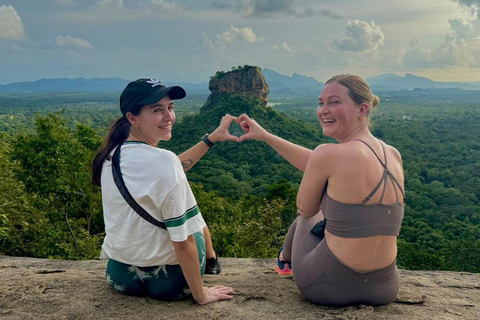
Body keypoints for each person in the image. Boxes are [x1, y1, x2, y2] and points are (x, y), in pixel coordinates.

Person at [237, 74, 405, 306]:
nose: (323, 110)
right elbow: (321, 165)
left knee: (309, 216)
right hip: (384, 288)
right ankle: (284, 261)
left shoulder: (327, 154)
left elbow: (306, 209)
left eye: (334, 102)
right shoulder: (393, 155)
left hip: (329, 286)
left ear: (362, 109)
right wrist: (266, 136)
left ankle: (284, 261)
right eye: (321, 103)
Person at [92, 78, 235, 305]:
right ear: (132, 118)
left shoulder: (110, 155)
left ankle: (210, 260)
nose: (169, 116)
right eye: (157, 109)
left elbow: (173, 167)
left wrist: (211, 139)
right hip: (170, 282)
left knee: (177, 198)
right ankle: (211, 260)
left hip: (120, 276)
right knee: (191, 217)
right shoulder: (164, 161)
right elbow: (183, 241)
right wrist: (201, 295)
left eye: (170, 107)